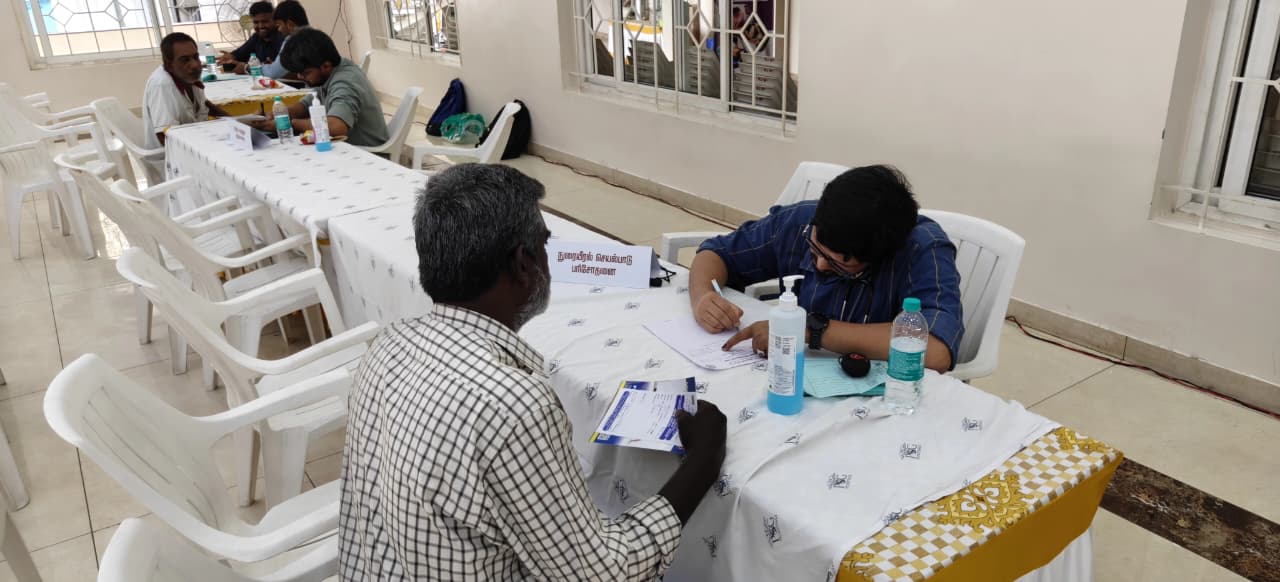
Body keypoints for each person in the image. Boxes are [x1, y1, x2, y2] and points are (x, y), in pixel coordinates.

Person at [340, 163, 728, 580]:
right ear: (523, 264)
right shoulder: (513, 405)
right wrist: (702, 462)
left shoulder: (389, 344)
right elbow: (602, 575)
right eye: (545, 245)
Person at [692, 165, 964, 372]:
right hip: (798, 370)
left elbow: (937, 349)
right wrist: (703, 296)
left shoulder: (922, 249)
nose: (820, 265)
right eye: (816, 249)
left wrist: (809, 330)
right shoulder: (802, 221)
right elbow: (716, 253)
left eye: (839, 263)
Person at [274, 28, 389, 146]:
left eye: (305, 73)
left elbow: (336, 127)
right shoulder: (328, 72)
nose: (300, 77)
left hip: (366, 152)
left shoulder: (345, 82)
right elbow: (306, 104)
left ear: (326, 66)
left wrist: (290, 124)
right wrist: (279, 115)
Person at [141, 33, 229, 181]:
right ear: (169, 64)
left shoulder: (187, 76)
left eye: (195, 57)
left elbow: (204, 104)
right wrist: (204, 155)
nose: (195, 65)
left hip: (194, 147)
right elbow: (165, 136)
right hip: (173, 163)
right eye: (185, 60)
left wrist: (237, 121)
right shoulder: (162, 85)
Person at [216, 1, 283, 74]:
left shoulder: (283, 38)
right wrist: (229, 57)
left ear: (275, 21)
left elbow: (280, 70)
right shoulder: (256, 37)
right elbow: (239, 54)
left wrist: (246, 68)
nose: (260, 26)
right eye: (256, 22)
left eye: (265, 22)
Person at [260, 0, 307, 80]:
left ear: (290, 24)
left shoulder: (292, 41)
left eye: (279, 25)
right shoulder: (318, 35)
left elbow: (273, 73)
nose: (279, 29)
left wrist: (251, 68)